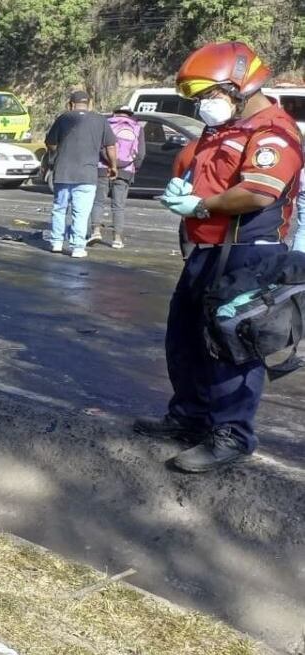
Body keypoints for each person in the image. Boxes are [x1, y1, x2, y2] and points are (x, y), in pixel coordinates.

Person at [133, 41, 303, 472]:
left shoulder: (274, 133)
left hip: (248, 255)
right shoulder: (223, 129)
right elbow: (198, 169)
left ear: (238, 86)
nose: (203, 105)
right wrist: (184, 188)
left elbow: (258, 192)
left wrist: (202, 206)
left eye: (208, 95)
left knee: (232, 342)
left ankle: (231, 434)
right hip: (206, 252)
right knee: (186, 337)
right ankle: (189, 417)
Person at [44, 90, 117, 258]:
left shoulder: (63, 118)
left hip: (63, 172)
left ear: (70, 104)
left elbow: (50, 143)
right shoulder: (100, 120)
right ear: (90, 104)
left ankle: (56, 242)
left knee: (59, 208)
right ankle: (77, 247)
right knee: (81, 212)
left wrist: (59, 151)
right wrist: (113, 166)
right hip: (87, 173)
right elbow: (111, 146)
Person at [89, 106, 146, 249]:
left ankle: (95, 231)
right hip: (125, 170)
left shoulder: (105, 124)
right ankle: (117, 239)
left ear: (114, 113)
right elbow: (141, 153)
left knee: (98, 202)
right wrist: (134, 168)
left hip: (103, 168)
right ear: (130, 115)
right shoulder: (137, 128)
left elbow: (97, 146)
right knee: (118, 206)